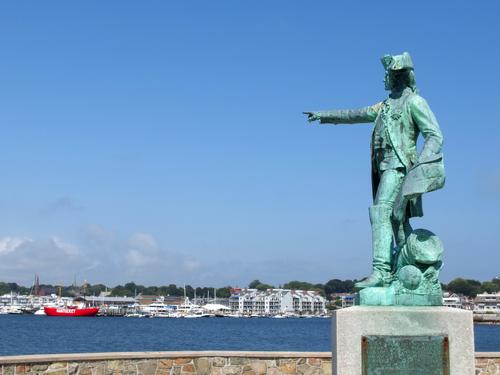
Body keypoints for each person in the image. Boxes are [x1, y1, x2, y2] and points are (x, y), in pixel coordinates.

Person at [304, 52, 444, 289]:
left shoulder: (415, 102)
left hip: (400, 167)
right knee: (397, 220)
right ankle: (413, 260)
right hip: (384, 169)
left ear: (398, 76)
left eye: (387, 75)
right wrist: (324, 115)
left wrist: (420, 164)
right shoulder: (384, 106)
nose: (384, 80)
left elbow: (434, 135)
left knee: (380, 212)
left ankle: (381, 270)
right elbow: (355, 114)